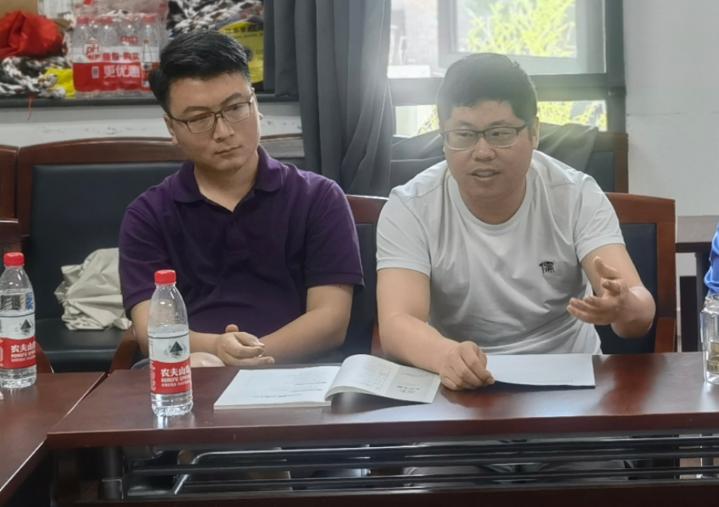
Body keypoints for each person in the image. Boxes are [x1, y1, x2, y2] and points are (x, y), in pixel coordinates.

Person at [376, 53, 655, 391]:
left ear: (534, 132)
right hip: (460, 384)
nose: (482, 152)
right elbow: (397, 322)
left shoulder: (575, 194)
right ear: (444, 136)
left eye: (500, 133)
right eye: (463, 135)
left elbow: (638, 310)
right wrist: (445, 355)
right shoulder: (411, 206)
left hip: (567, 381)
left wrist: (624, 307)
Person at [119, 31, 363, 367]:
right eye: (199, 119)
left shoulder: (318, 198)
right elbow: (151, 331)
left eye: (235, 108)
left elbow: (330, 321)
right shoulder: (148, 215)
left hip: (297, 371)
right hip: (194, 371)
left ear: (255, 105)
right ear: (172, 128)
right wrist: (218, 350)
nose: (223, 132)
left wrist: (245, 358)